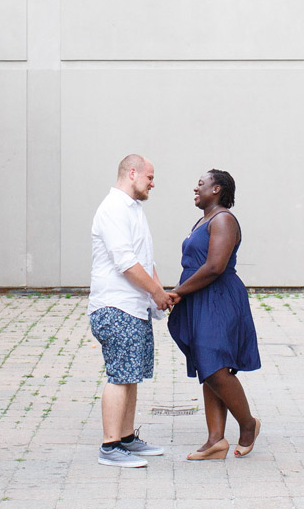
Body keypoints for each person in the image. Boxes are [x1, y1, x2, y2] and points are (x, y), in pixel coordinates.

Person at [166, 168, 262, 460]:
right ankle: (215, 440)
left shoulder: (224, 220)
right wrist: (180, 290)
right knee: (208, 366)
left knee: (217, 369)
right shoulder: (203, 220)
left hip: (218, 298)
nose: (195, 190)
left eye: (201, 185)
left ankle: (248, 425)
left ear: (217, 189)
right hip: (201, 296)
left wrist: (179, 291)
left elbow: (214, 266)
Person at [88, 153, 173, 468]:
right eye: (150, 177)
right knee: (119, 376)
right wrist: (157, 292)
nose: (153, 182)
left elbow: (145, 259)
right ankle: (110, 447)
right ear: (132, 173)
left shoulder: (133, 209)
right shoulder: (112, 209)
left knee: (131, 374)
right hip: (115, 306)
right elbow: (125, 262)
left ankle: (126, 439)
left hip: (134, 307)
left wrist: (160, 295)